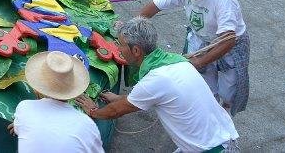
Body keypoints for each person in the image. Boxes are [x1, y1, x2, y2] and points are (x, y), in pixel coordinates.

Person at [77, 17, 239, 153]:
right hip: (222, 138)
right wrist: (119, 98)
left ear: (136, 51)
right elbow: (145, 95)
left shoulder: (155, 79)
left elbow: (116, 111)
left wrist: (93, 111)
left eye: (121, 44)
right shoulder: (176, 62)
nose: (118, 48)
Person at [139, 0, 250, 115]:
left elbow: (228, 40)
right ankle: (206, 117)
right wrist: (133, 28)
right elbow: (155, 6)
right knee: (203, 90)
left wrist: (199, 61)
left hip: (229, 47)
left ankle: (225, 123)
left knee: (228, 94)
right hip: (201, 41)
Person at [10, 51, 103, 152]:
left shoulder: (24, 108)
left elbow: (20, 128)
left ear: (36, 88)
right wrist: (93, 113)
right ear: (73, 89)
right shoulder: (85, 124)